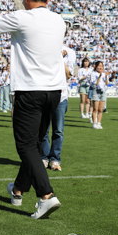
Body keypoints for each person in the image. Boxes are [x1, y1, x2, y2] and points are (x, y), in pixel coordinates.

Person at [0, 0, 65, 220]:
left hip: (30, 90)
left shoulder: (23, 17)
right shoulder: (59, 20)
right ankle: (17, 190)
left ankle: (46, 195)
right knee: (35, 145)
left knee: (25, 146)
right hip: (54, 91)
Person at [41, 43, 75, 171]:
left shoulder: (70, 52)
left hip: (61, 96)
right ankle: (43, 158)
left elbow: (68, 75)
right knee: (43, 130)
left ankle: (55, 159)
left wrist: (60, 59)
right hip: (45, 94)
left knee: (58, 131)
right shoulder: (44, 46)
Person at [90, 61, 108, 130]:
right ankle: (94, 123)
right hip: (96, 91)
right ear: (96, 66)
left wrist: (105, 77)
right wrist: (100, 76)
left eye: (101, 66)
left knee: (100, 109)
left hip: (103, 92)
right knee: (95, 109)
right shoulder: (93, 74)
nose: (100, 67)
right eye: (99, 66)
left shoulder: (104, 74)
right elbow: (95, 84)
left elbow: (106, 83)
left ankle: (99, 123)